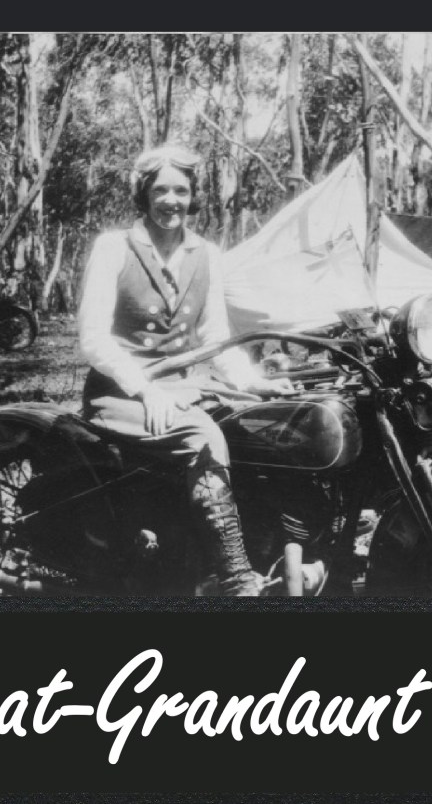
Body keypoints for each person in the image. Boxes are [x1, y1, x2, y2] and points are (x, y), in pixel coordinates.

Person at [77, 144, 293, 597]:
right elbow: (93, 339)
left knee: (268, 426)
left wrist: (253, 382)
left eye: (181, 190)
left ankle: (269, 546)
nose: (171, 200)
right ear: (144, 194)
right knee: (203, 437)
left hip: (189, 386)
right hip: (120, 393)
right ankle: (236, 580)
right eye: (161, 190)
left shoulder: (205, 253)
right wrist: (145, 389)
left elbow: (215, 339)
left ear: (194, 195)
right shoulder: (114, 247)